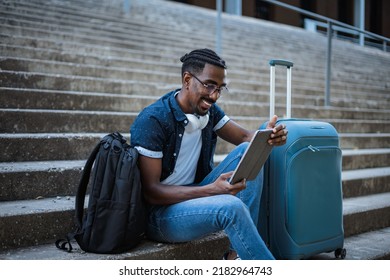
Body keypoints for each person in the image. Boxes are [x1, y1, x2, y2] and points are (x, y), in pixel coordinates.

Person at [130, 48, 288, 260]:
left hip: (196, 193)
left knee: (247, 152)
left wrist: (269, 135)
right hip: (161, 215)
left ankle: (236, 257)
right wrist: (210, 190)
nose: (214, 95)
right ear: (187, 79)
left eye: (220, 88)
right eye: (209, 85)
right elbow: (151, 192)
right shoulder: (154, 120)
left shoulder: (208, 111)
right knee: (231, 206)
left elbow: (244, 137)